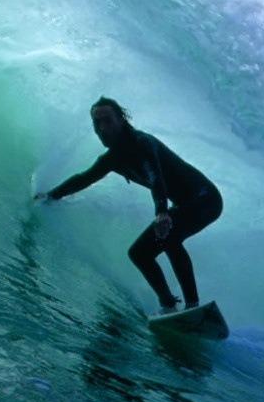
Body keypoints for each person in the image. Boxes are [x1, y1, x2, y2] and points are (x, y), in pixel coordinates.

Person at [36, 97, 224, 313]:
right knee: (139, 253)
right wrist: (51, 196)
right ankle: (169, 305)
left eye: (108, 120)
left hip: (206, 199)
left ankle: (192, 305)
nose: (103, 127)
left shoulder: (143, 143)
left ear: (121, 120)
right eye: (98, 123)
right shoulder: (112, 158)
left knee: (170, 237)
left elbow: (156, 176)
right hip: (184, 205)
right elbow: (84, 178)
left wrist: (162, 212)